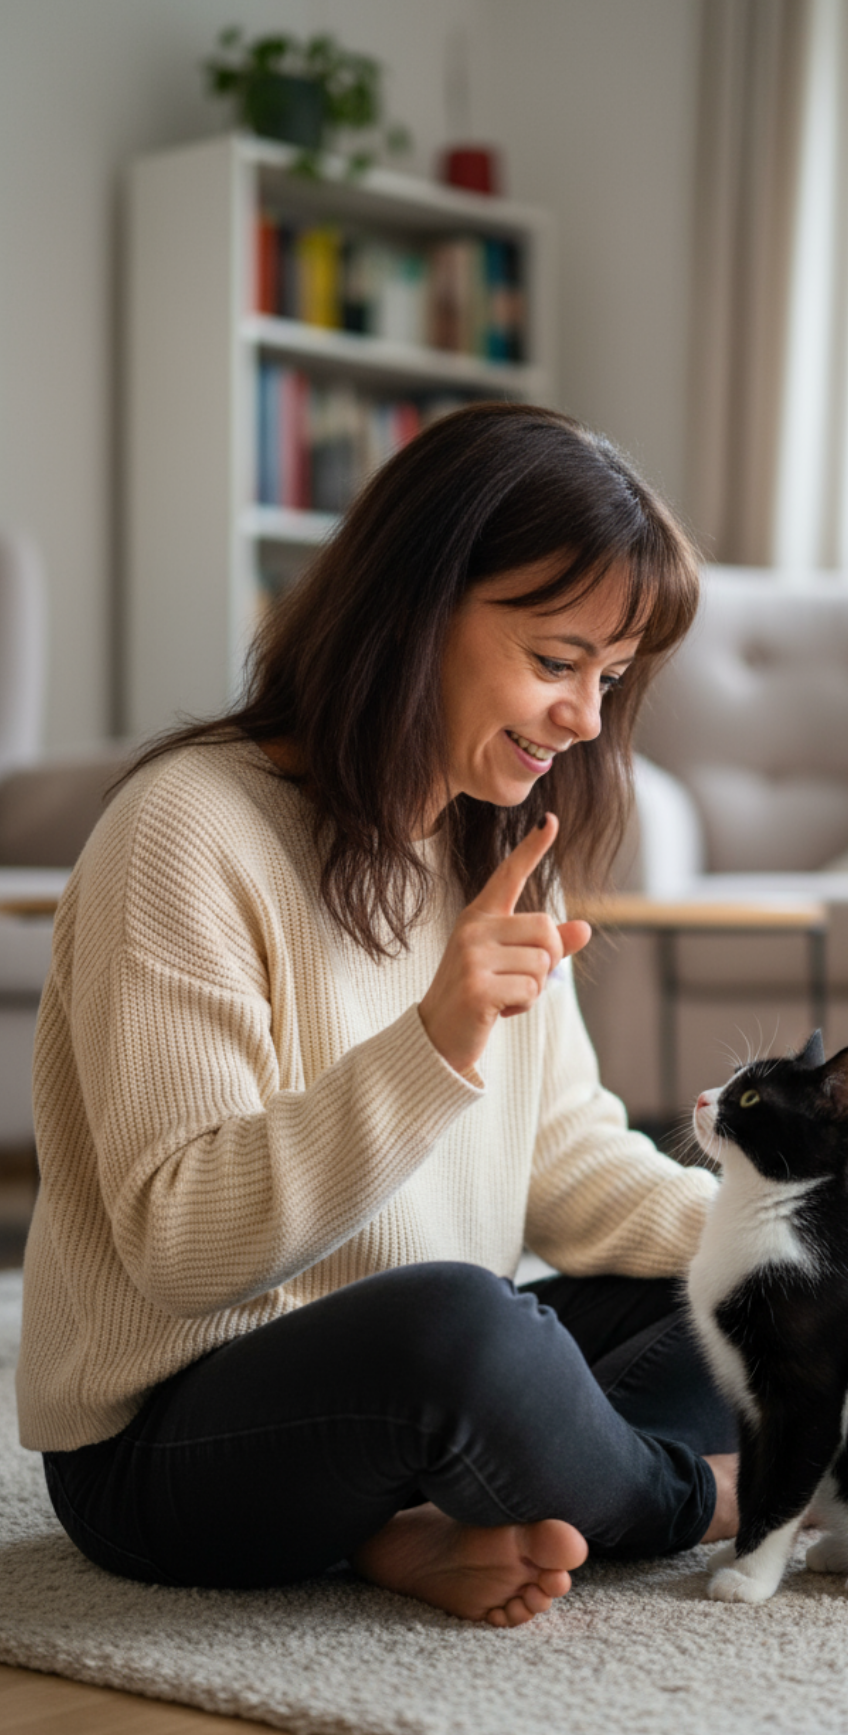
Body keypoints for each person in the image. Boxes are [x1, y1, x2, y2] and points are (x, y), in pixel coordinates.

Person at [17, 403, 737, 1628]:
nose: (586, 719)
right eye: (557, 661)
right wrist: (432, 1044)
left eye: (610, 678)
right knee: (466, 1330)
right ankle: (709, 1496)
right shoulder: (185, 829)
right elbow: (183, 1245)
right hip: (169, 1441)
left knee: (734, 1306)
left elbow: (566, 1162)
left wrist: (804, 1252)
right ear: (415, 610)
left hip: (403, 1394)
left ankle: (412, 1522)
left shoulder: (497, 844)